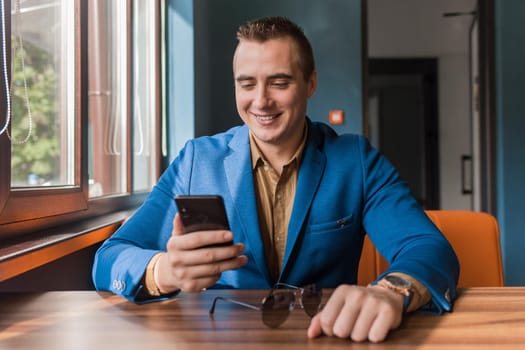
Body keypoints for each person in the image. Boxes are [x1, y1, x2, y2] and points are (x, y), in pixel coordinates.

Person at [92, 16, 459, 343]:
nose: (261, 101)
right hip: (220, 338)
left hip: (326, 336)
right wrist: (166, 271)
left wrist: (392, 290)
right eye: (247, 84)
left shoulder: (356, 161)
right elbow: (110, 258)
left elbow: (428, 247)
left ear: (310, 83)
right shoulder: (196, 161)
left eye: (279, 82)